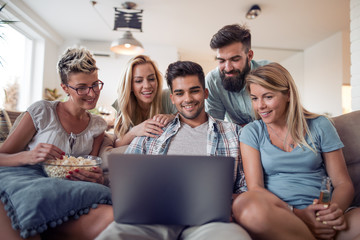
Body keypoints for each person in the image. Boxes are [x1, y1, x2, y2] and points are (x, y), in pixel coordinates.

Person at [96, 61, 250, 240]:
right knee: (113, 235)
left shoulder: (234, 133)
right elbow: (121, 183)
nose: (188, 99)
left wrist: (223, 201)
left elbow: (244, 187)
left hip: (210, 222)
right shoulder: (153, 131)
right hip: (152, 219)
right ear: (172, 98)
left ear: (205, 93)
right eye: (179, 93)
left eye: (194, 90)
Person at [232, 62, 360, 240]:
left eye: (268, 97)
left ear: (288, 95)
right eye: (254, 98)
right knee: (246, 206)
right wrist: (299, 214)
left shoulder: (320, 125)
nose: (260, 105)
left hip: (322, 212)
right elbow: (256, 188)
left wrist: (330, 213)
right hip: (281, 215)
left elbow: (343, 183)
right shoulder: (252, 132)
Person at [0, 48, 113, 240]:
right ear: (65, 88)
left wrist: (96, 177)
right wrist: (29, 156)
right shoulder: (42, 112)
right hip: (30, 188)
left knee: (113, 219)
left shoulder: (97, 126)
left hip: (71, 194)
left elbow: (92, 164)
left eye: (95, 84)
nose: (92, 93)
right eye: (81, 87)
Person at [205, 24, 270, 126]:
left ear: (249, 55)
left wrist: (242, 128)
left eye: (235, 60)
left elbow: (282, 119)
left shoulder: (270, 71)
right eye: (221, 61)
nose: (228, 68)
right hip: (238, 140)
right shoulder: (213, 80)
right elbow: (216, 127)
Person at [113, 55, 177, 147]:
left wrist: (172, 117)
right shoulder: (122, 103)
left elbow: (190, 122)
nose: (147, 85)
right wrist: (134, 132)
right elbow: (116, 145)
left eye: (151, 79)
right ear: (130, 85)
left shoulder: (167, 96)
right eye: (138, 81)